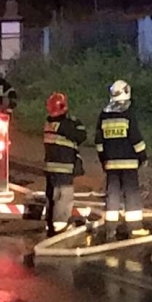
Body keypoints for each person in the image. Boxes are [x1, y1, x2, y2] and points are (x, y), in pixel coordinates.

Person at [95, 79, 148, 240]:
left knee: (112, 194)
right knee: (131, 194)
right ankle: (134, 228)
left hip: (110, 163)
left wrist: (103, 160)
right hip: (129, 163)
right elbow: (136, 139)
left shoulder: (104, 115)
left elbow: (99, 142)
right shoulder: (128, 114)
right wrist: (143, 157)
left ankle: (111, 228)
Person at [42, 92, 86, 236]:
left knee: (51, 198)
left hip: (51, 169)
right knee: (63, 199)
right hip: (64, 169)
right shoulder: (65, 125)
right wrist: (76, 122)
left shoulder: (49, 123)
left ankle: (50, 226)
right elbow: (81, 136)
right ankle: (60, 228)